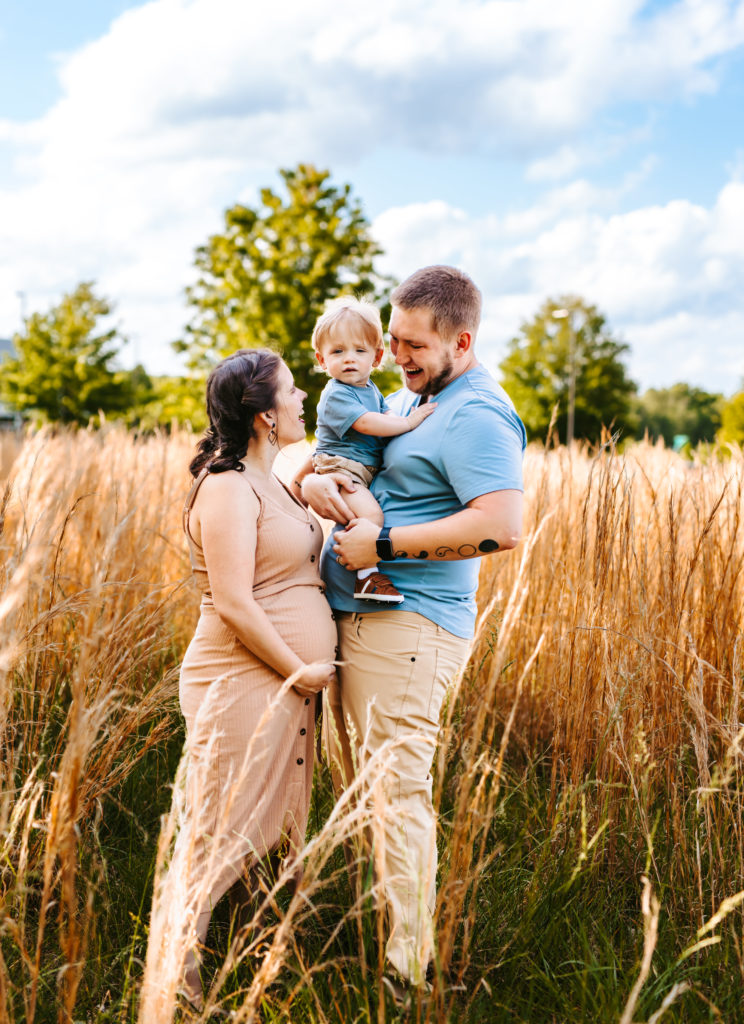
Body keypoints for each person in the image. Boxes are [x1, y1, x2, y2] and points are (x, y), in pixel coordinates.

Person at [301, 266, 526, 996]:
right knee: (373, 789)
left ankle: (409, 972)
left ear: (461, 341)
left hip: (413, 626)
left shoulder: (477, 414)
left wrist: (384, 547)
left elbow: (500, 525)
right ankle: (385, 931)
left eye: (413, 345)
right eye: (392, 340)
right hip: (372, 622)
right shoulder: (415, 395)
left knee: (398, 792)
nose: (397, 355)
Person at [169, 349, 337, 1006]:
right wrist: (298, 669)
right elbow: (236, 601)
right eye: (294, 393)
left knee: (260, 819)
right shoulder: (227, 485)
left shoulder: (272, 479)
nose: (304, 401)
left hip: (277, 681)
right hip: (240, 677)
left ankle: (259, 945)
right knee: (218, 818)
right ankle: (177, 970)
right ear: (266, 415)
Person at [311, 297, 436, 603]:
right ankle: (366, 576)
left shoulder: (370, 390)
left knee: (365, 514)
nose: (349, 359)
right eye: (337, 351)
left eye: (359, 350)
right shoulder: (336, 394)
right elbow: (368, 423)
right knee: (371, 515)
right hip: (340, 468)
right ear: (321, 360)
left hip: (357, 468)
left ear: (377, 357)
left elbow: (384, 414)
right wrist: (409, 423)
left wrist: (397, 419)